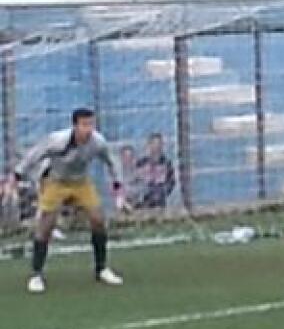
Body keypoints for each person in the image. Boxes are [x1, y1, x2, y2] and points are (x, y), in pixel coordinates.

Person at [8, 108, 130, 294]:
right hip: (56, 181)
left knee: (98, 220)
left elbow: (112, 161)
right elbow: (35, 154)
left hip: (81, 182)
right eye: (84, 125)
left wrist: (118, 188)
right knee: (46, 226)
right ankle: (36, 274)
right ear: (75, 126)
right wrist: (15, 177)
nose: (88, 129)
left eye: (91, 124)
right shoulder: (58, 140)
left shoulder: (98, 142)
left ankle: (101, 269)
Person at [134, 133, 175, 209]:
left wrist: (161, 192)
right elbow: (136, 181)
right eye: (154, 143)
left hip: (159, 202)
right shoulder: (141, 163)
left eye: (159, 143)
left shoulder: (166, 163)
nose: (157, 146)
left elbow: (171, 182)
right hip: (143, 201)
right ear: (149, 145)